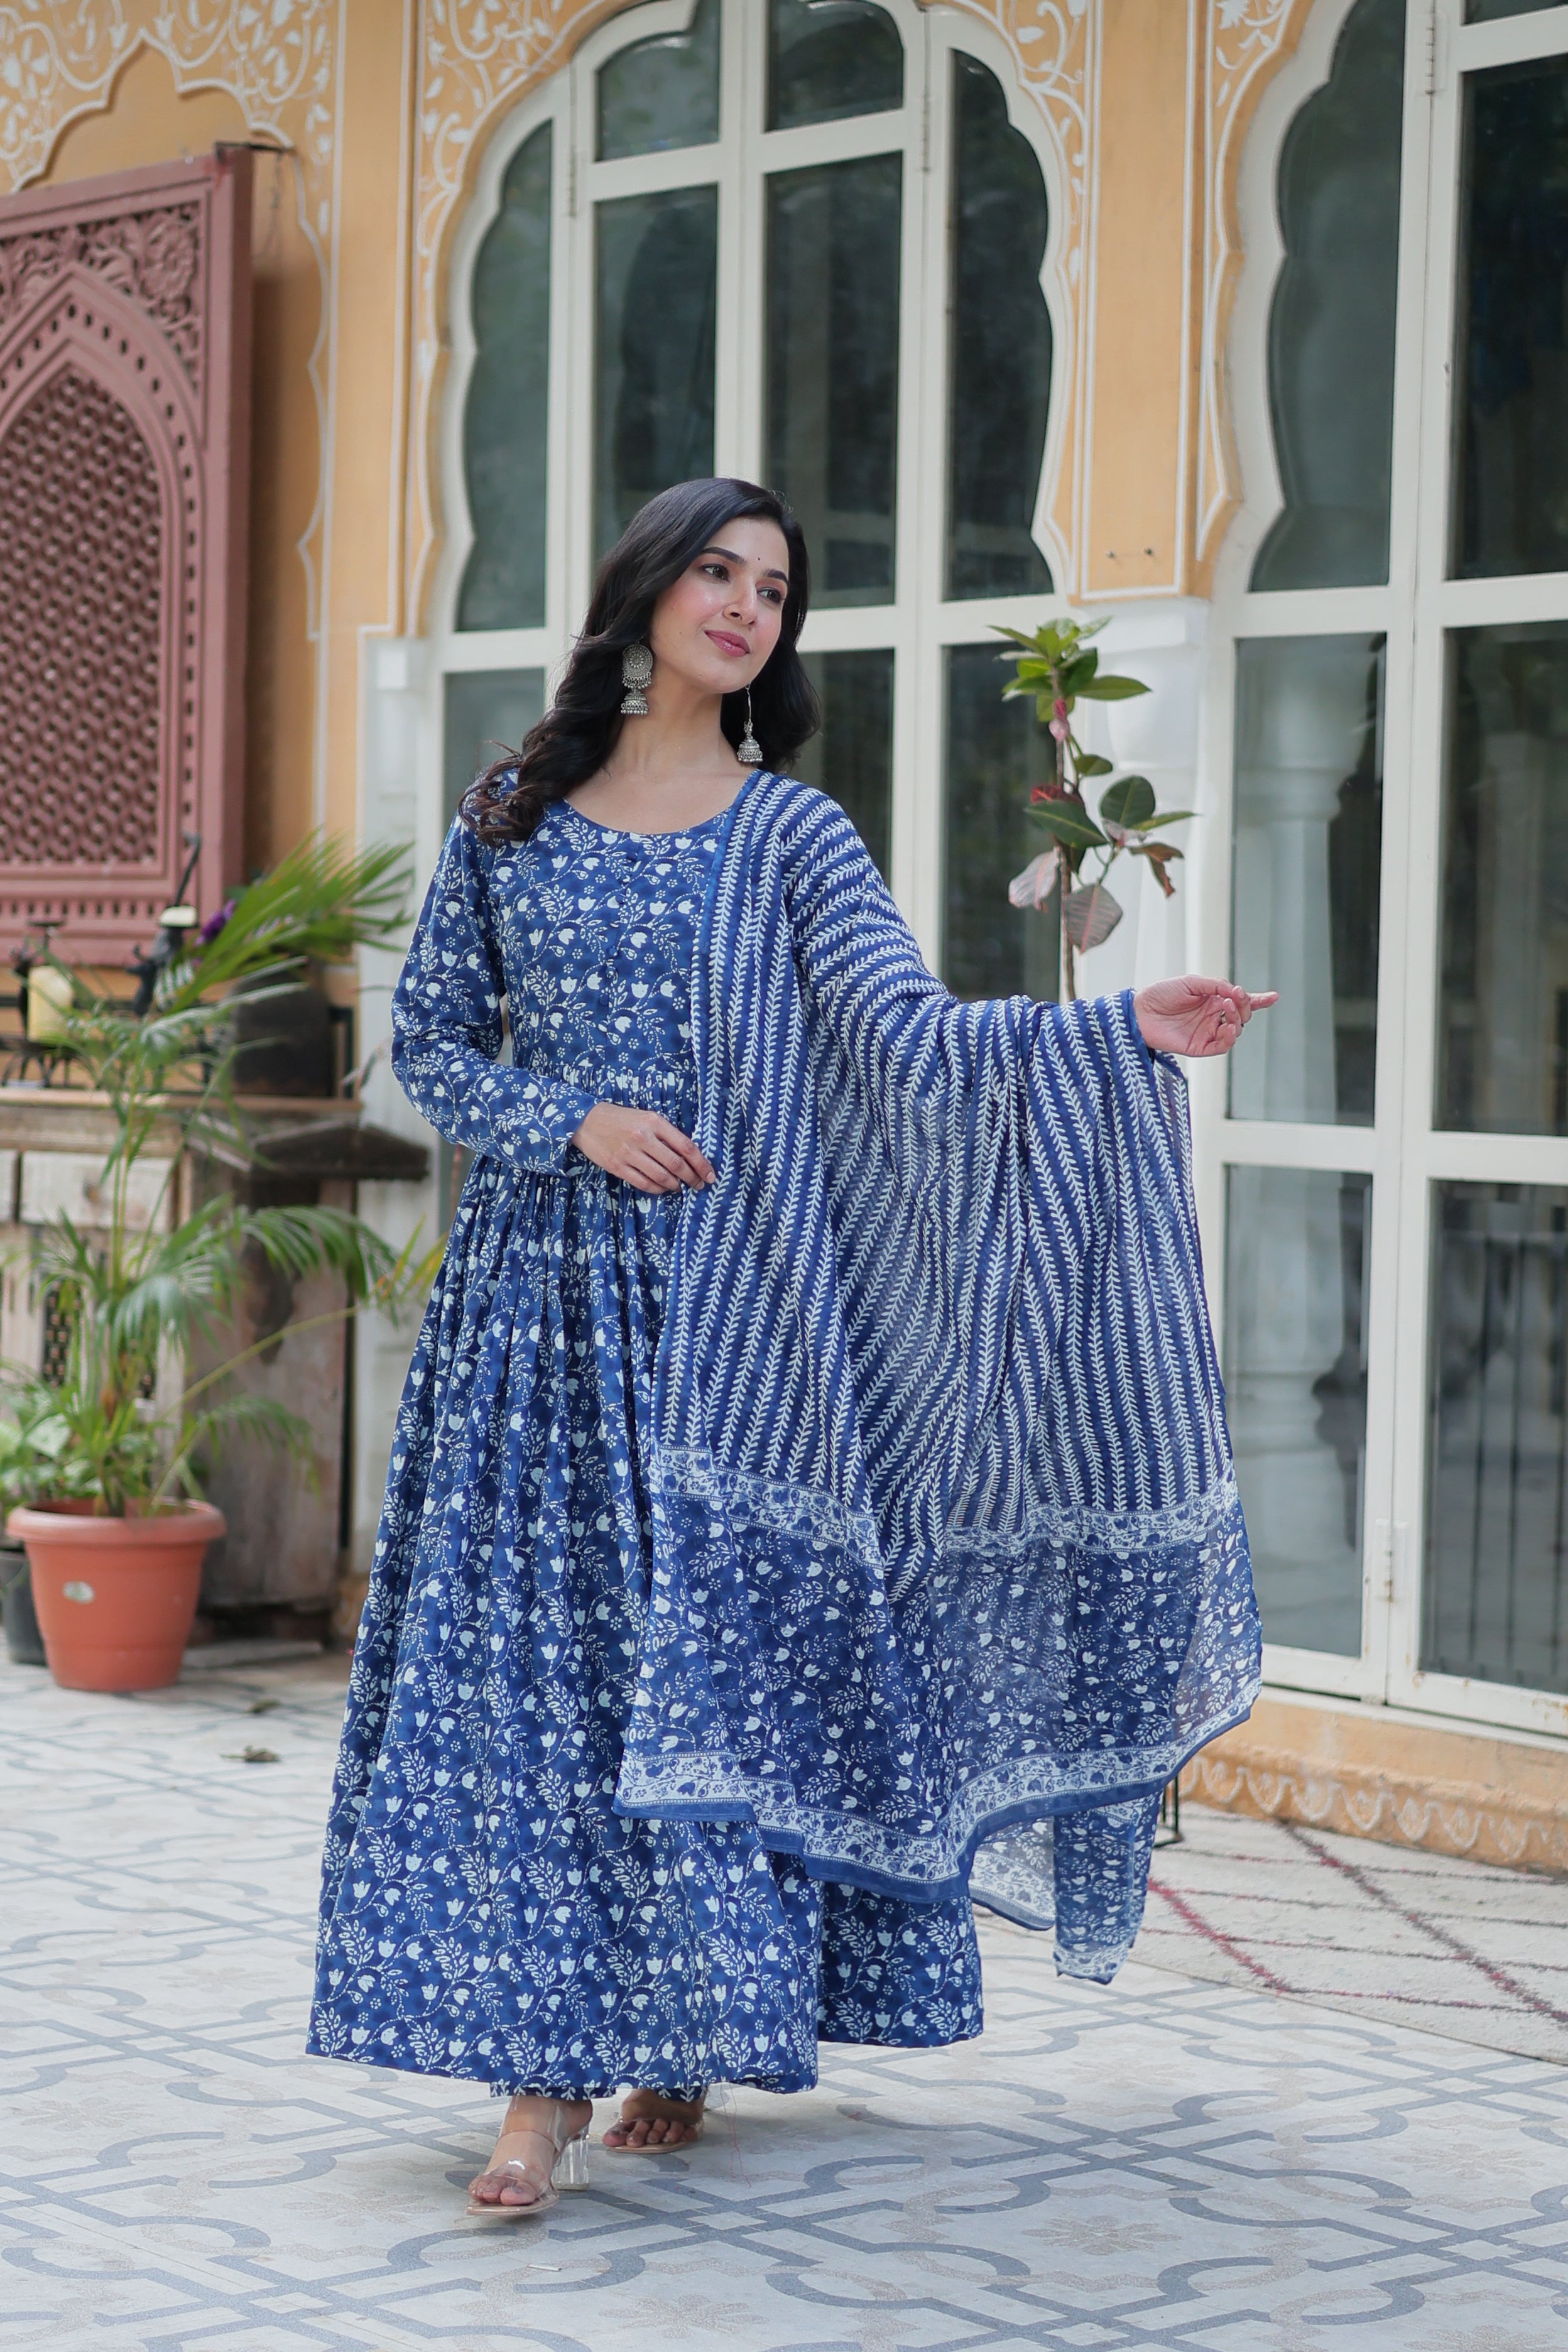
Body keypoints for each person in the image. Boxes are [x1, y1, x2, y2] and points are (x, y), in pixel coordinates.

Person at [308, 477, 1273, 2216]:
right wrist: (571, 1119)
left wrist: (1118, 1022)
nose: (747, 607)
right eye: (718, 573)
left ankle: (679, 2032)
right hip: (536, 1322)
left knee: (704, 1680)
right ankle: (540, 2086)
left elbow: (909, 1040)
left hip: (735, 1335)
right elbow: (433, 1046)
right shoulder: (511, 816)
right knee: (553, 1686)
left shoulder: (793, 838)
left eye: (775, 588)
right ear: (649, 590)